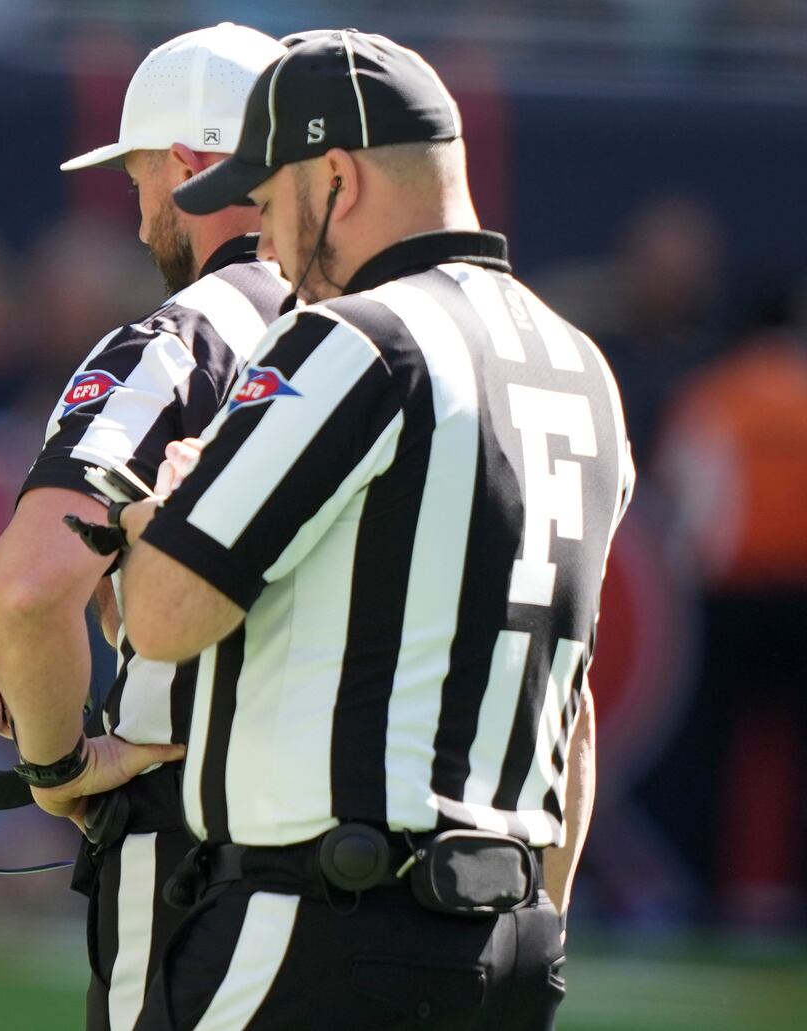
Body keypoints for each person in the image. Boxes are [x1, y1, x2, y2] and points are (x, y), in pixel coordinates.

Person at [110, 31, 634, 1029]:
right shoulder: (577, 365)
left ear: (336, 177)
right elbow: (571, 707)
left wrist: (159, 510)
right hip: (511, 932)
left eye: (267, 203)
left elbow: (165, 613)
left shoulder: (357, 338)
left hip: (328, 923)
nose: (261, 244)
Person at [0, 23, 288, 1031]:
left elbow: (32, 584)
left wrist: (57, 762)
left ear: (191, 166)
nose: (138, 208)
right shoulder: (404, 332)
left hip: (204, 858)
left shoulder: (178, 342)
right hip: (399, 866)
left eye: (140, 175)